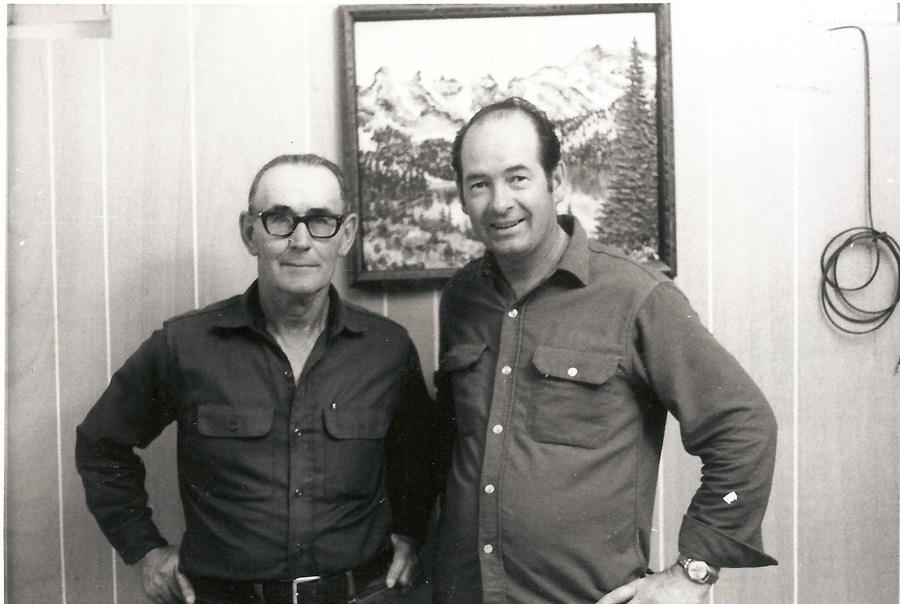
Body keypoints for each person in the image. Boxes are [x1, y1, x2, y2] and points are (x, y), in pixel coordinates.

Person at [430, 97, 778, 604]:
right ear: (462, 197)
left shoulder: (636, 296)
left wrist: (694, 571)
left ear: (558, 181)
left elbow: (743, 425)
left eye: (518, 178)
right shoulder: (461, 299)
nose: (499, 202)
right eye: (479, 183)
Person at [76, 154, 432, 604]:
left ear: (347, 234)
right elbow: (100, 443)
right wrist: (145, 551)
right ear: (250, 233)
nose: (301, 241)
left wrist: (411, 532)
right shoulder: (185, 345)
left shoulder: (387, 348)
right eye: (280, 219)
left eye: (321, 220)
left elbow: (422, 454)